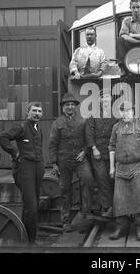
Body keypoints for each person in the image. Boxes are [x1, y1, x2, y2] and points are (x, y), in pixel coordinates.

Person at [0, 101, 44, 245]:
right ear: (27, 112)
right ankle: (31, 242)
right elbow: (2, 138)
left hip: (37, 169)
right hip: (25, 169)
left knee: (30, 206)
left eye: (39, 111)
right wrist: (15, 152)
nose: (37, 113)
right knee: (32, 207)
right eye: (34, 110)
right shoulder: (21, 126)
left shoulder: (38, 129)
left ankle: (27, 238)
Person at [108, 101, 140, 241]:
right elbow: (111, 147)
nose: (125, 113)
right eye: (123, 111)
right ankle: (120, 227)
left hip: (138, 167)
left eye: (128, 111)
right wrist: (112, 167)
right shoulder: (116, 127)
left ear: (133, 111)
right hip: (121, 168)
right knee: (119, 199)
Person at [49, 93, 95, 233]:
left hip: (80, 159)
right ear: (63, 108)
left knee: (88, 180)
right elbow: (52, 144)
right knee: (65, 189)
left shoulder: (82, 121)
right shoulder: (57, 123)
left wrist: (84, 152)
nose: (70, 107)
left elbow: (88, 140)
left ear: (76, 107)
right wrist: (54, 164)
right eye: (67, 105)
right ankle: (66, 221)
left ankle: (85, 212)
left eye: (72, 105)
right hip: (64, 160)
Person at [85, 89, 117, 217]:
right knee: (102, 178)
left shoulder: (116, 115)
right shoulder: (93, 115)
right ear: (99, 100)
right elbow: (89, 133)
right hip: (98, 152)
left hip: (112, 151)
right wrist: (93, 148)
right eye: (103, 97)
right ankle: (106, 207)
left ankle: (117, 206)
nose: (105, 100)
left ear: (111, 100)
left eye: (108, 97)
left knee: (113, 178)